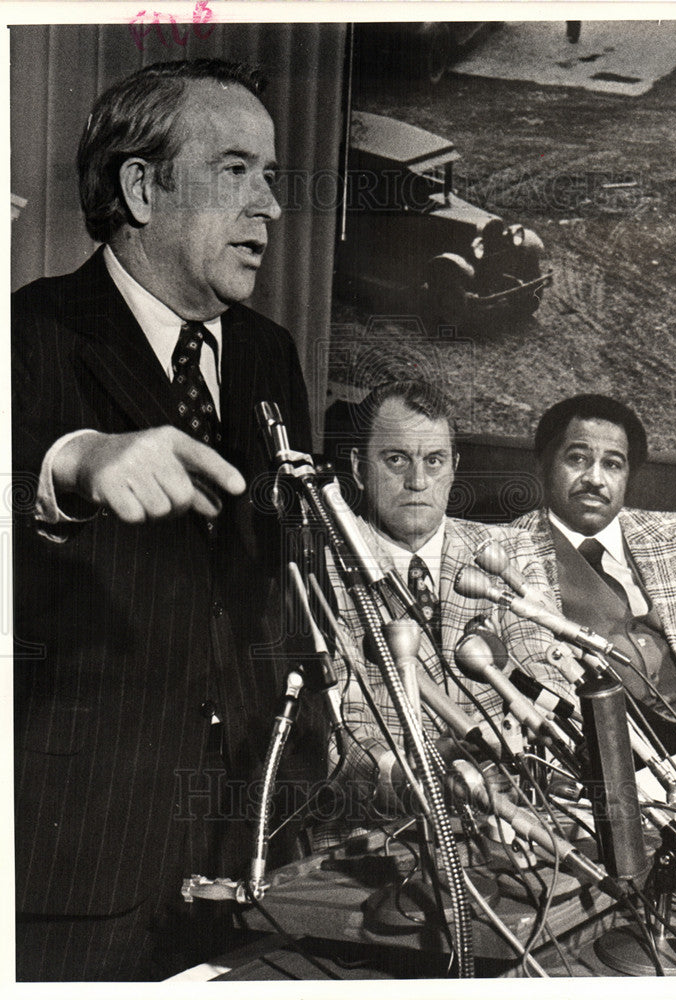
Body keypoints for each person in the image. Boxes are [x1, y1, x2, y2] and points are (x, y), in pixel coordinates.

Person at [12, 59, 311, 980]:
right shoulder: (25, 336)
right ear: (141, 188)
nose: (267, 207)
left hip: (251, 856)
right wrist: (70, 466)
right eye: (234, 171)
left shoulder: (267, 353)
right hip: (79, 871)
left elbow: (272, 588)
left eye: (270, 177)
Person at [318, 381, 557, 837]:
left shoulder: (508, 551)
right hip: (386, 830)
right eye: (396, 460)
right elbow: (338, 737)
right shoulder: (326, 569)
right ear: (358, 468)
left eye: (434, 461)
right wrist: (426, 782)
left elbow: (546, 683)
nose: (418, 481)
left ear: (453, 469)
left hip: (520, 816)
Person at [511, 394, 676, 753]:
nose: (595, 479)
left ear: (628, 476)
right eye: (577, 459)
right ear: (543, 464)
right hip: (608, 760)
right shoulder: (505, 554)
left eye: (613, 464)